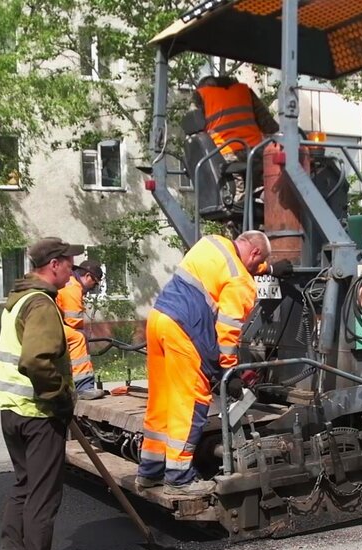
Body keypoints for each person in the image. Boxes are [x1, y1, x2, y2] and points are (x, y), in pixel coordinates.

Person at [135, 231, 292, 495]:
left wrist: (269, 268)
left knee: (161, 400)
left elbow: (240, 261)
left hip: (159, 319)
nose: (256, 268)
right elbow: (227, 333)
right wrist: (229, 373)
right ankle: (179, 479)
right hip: (185, 331)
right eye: (259, 262)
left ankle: (149, 472)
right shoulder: (241, 282)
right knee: (190, 403)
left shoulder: (211, 243)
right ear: (254, 254)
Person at [0, 236, 88, 550]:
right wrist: (59, 398)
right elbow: (35, 361)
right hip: (38, 414)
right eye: (70, 263)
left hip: (12, 412)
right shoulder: (43, 304)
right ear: (54, 265)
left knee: (23, 487)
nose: (73, 270)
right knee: (43, 497)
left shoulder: (17, 301)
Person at [193, 75, 280, 208]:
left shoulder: (201, 96)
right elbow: (270, 125)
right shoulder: (245, 92)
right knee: (266, 188)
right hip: (256, 153)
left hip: (226, 157)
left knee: (237, 204)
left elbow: (195, 129)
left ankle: (239, 215)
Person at [56, 259, 103, 394]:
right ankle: (83, 387)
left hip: (51, 323)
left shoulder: (69, 282)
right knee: (78, 338)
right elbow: (73, 321)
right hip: (52, 325)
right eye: (94, 283)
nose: (92, 288)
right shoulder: (73, 287)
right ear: (88, 277)